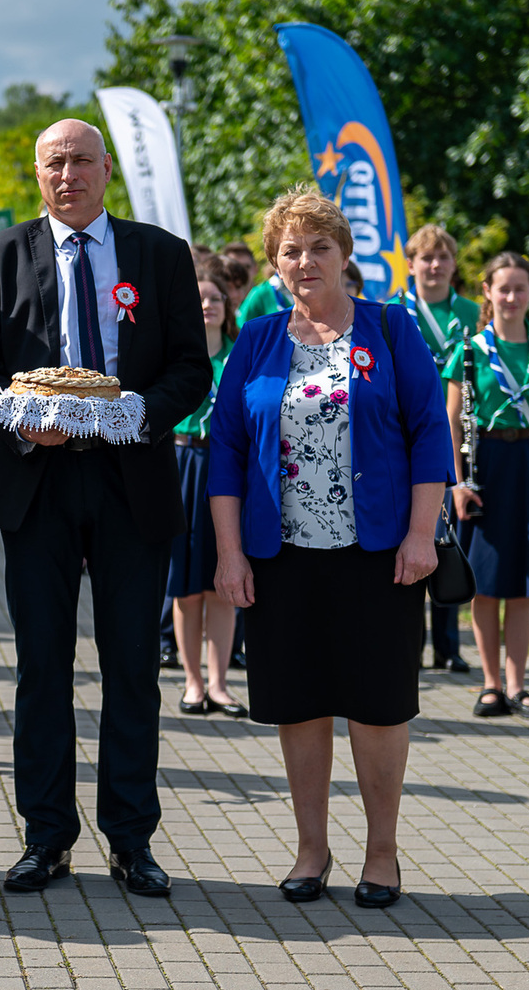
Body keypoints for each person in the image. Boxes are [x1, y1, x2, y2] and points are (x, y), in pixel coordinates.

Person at [0, 119, 212, 897]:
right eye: (53, 163)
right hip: (36, 481)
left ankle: (131, 838)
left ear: (108, 169)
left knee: (132, 667)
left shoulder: (159, 254)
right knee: (43, 666)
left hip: (131, 478)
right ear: (37, 175)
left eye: (80, 160)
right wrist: (14, 417)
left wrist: (138, 412)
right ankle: (47, 837)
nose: (67, 173)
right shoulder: (2, 254)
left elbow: (191, 369)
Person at [209, 185, 453, 909]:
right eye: (291, 250)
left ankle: (383, 854)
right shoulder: (256, 340)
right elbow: (224, 450)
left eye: (320, 247)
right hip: (281, 557)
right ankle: (310, 848)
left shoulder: (390, 328)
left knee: (379, 706)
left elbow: (429, 433)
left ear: (346, 256)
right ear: (275, 265)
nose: (306, 260)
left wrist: (419, 533)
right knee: (300, 703)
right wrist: (229, 552)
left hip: (379, 553)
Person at [443, 252, 529, 721]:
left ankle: (519, 686)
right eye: (504, 288)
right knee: (485, 582)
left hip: (528, 467)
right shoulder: (470, 350)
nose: (512, 297)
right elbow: (451, 423)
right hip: (484, 468)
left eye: (521, 288)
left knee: (521, 582)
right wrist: (455, 484)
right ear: (488, 292)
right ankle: (490, 684)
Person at [394, 223, 482, 675]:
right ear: (410, 265)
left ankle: (448, 645)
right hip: (401, 431)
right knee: (407, 533)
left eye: (443, 257)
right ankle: (411, 641)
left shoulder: (470, 312)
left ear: (453, 265)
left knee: (444, 535)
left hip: (454, 430)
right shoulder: (393, 311)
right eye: (425, 258)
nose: (434, 265)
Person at [171, 262, 246, 718]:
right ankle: (193, 682)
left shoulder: (241, 354)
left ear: (226, 305)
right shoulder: (177, 353)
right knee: (185, 586)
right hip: (182, 463)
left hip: (227, 467)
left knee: (225, 582)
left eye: (215, 297)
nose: (207, 304)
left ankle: (220, 684)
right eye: (199, 297)